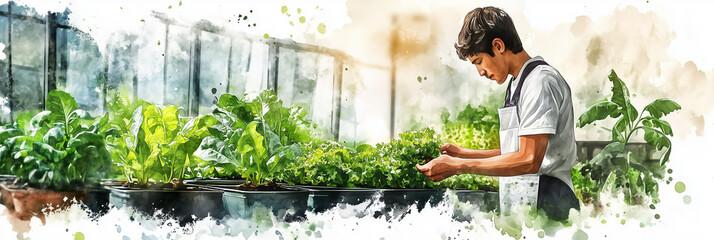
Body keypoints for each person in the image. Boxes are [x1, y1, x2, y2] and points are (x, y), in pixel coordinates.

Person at [415, 6, 580, 220]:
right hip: (526, 197)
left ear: (498, 45)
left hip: (550, 198)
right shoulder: (517, 84)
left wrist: (459, 166)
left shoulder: (540, 81)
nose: (481, 72)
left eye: (479, 61)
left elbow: (529, 159)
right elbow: (517, 150)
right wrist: (463, 153)